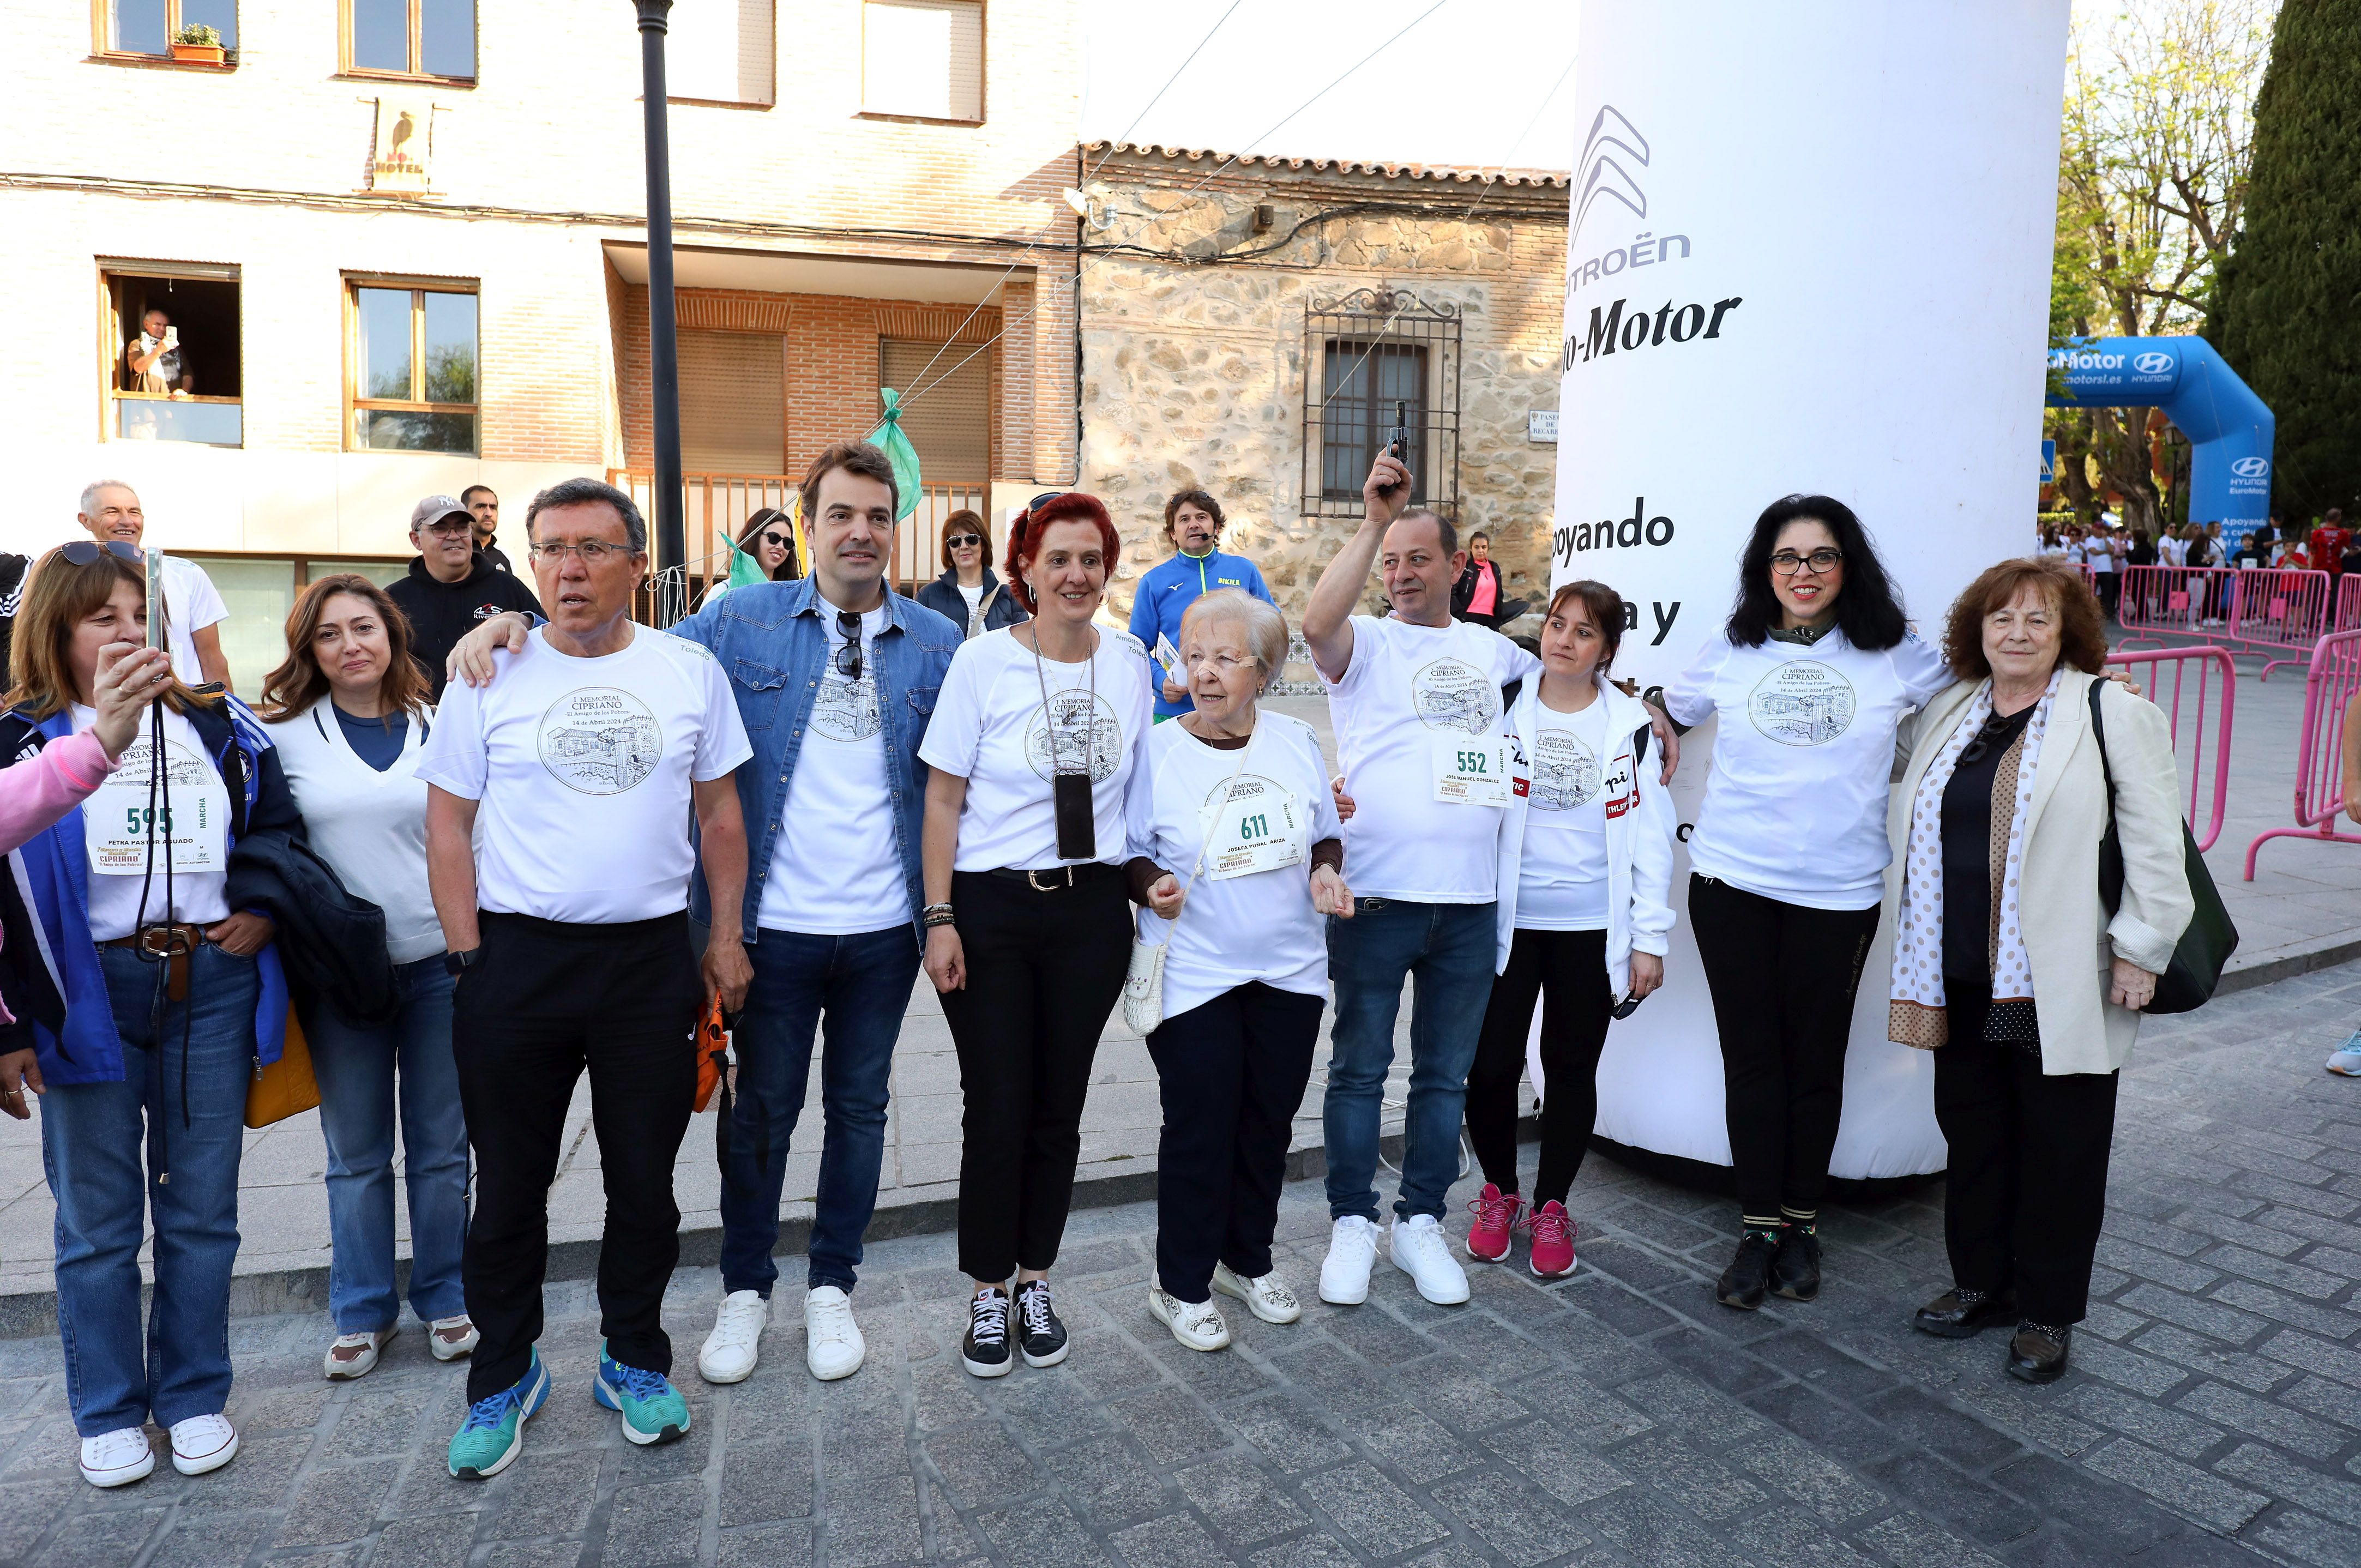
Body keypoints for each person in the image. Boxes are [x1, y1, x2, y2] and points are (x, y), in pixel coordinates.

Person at [446, 444, 964, 1389]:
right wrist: (511, 621)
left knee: (861, 1108)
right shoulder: (738, 619)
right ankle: (746, 1286)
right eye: (841, 514)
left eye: (879, 516)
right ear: (808, 524)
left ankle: (832, 1283)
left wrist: (941, 913)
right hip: (771, 925)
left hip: (885, 927)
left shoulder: (937, 641)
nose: (860, 532)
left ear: (898, 528)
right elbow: (610, 637)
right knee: (760, 1110)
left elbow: (955, 786)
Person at [419, 478, 752, 1479]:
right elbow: (446, 821)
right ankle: (505, 1375)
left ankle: (633, 1357)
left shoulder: (688, 670)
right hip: (516, 963)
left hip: (649, 961)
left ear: (635, 568)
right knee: (510, 1188)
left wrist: (724, 937)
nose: (572, 566)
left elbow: (723, 819)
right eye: (552, 547)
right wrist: (468, 950)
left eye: (595, 548)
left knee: (644, 1185)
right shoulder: (486, 675)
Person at [0, 541, 293, 1489]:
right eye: (102, 617)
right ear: (55, 629)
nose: (129, 632)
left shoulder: (217, 722)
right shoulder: (22, 737)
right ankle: (109, 1410)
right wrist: (7, 1024)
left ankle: (195, 1395)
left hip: (209, 981)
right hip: (82, 995)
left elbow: (278, 829)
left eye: (140, 614)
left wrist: (258, 905)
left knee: (203, 1208)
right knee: (97, 1219)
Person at [1643, 494, 1950, 1312]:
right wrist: (1648, 719)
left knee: (1814, 1065)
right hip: (1730, 886)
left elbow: (1986, 691)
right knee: (1751, 1061)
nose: (1803, 573)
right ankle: (1755, 1232)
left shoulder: (1894, 654)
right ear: (1763, 570)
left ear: (1848, 565)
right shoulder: (1731, 648)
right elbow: (1661, 710)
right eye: (1786, 558)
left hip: (1840, 896)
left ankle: (1802, 1228)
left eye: (1820, 557)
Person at [1892, 557, 2189, 1382]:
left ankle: (2048, 1311)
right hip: (1955, 969)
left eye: (2036, 621)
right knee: (1976, 1134)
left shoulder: (2108, 711)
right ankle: (1979, 1283)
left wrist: (2140, 948)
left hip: (2059, 973)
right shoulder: (1949, 708)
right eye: (2001, 619)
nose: (2016, 634)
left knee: (2061, 1146)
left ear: (2066, 635)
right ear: (1976, 631)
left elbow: (2155, 844)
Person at [1300, 451, 1549, 1310]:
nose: (1402, 574)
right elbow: (1313, 624)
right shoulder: (1365, 642)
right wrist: (1372, 521)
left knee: (1445, 1077)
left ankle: (1417, 1223)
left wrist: (1651, 715)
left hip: (1469, 903)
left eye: (1417, 558)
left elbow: (1573, 689)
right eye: (1392, 561)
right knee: (1359, 1068)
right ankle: (1351, 1223)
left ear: (1456, 568)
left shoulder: (1492, 653)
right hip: (1374, 894)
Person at [919, 492, 1152, 1377]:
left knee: (1061, 1108)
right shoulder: (982, 664)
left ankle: (1035, 1278)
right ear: (1024, 569)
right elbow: (942, 797)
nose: (1076, 575)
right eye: (1058, 558)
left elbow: (1148, 787)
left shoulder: (1128, 664)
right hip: (992, 911)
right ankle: (986, 1291)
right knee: (1000, 1105)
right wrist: (939, 917)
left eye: (1091, 559)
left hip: (1092, 913)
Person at [257, 575, 476, 1382]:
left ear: (391, 636)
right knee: (354, 1152)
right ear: (308, 651)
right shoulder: (282, 736)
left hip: (440, 968)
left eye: (364, 628)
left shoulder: (442, 723)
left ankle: (447, 1298)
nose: (350, 645)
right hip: (341, 979)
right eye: (328, 634)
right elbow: (271, 850)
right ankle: (360, 1311)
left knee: (442, 1146)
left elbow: (477, 838)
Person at [1125, 589, 1350, 1350]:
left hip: (1288, 969)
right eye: (1193, 656)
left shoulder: (1292, 741)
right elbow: (1127, 849)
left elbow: (1324, 834)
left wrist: (1326, 874)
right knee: (1201, 1124)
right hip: (1195, 971)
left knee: (1266, 1127)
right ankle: (1179, 1282)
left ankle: (1244, 1259)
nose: (1206, 672)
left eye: (1226, 658)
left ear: (1265, 670)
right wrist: (1147, 886)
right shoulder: (1154, 751)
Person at [1462, 581, 1675, 1280]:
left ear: (1606, 650)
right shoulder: (1503, 703)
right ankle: (1499, 1193)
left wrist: (1651, 937)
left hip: (1590, 926)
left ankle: (1552, 1204)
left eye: (1584, 632)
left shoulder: (1630, 725)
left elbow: (1651, 839)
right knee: (1490, 1065)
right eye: (1557, 624)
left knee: (1569, 1067)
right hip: (1506, 922)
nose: (1564, 639)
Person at [1127, 490, 1276, 722]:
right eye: (1184, 520)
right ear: (1173, 534)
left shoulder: (1244, 571)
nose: (1194, 525)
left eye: (1201, 517)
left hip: (1235, 709)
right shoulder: (1153, 582)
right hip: (1175, 711)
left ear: (1216, 528)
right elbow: (1136, 648)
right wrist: (1161, 681)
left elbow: (1272, 629)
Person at [75, 481, 232, 689]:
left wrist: (228, 716)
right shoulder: (75, 581)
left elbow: (212, 659)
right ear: (86, 520)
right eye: (112, 512)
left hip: (180, 711)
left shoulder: (186, 575)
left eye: (134, 512)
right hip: (104, 711)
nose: (126, 521)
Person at [387, 496, 543, 701]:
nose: (454, 536)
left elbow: (549, 641)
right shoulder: (393, 600)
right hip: (422, 724)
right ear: (416, 540)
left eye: (462, 528)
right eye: (440, 529)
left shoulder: (508, 587)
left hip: (500, 719)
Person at [917, 509, 1028, 638]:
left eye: (971, 539)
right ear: (949, 549)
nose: (963, 546)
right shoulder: (928, 596)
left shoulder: (1010, 597)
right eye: (955, 541)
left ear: (983, 545)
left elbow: (1023, 649)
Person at [1451, 532, 1529, 630]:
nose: (1481, 551)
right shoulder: (1466, 567)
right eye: (1477, 547)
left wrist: (1498, 618)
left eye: (1484, 547)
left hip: (1491, 618)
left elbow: (1499, 595)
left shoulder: (1495, 568)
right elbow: (1452, 590)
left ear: (1488, 548)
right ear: (1471, 548)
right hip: (1468, 617)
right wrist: (1458, 612)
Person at [125, 307, 192, 396]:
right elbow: (138, 368)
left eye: (165, 326)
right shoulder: (137, 344)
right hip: (146, 403)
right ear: (146, 324)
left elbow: (188, 375)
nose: (162, 328)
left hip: (173, 403)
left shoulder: (176, 349)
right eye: (158, 324)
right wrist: (158, 351)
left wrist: (184, 391)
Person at [462, 486, 511, 573]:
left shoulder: (504, 559)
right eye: (481, 507)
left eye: (493, 507)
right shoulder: (455, 555)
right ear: (465, 512)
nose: (489, 513)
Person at [2079, 522, 2119, 618]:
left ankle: (2108, 613)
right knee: (2092, 592)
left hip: (2107, 570)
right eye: (2098, 529)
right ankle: (2089, 612)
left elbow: (2112, 550)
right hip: (2094, 570)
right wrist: (2106, 552)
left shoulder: (2109, 540)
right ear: (2094, 530)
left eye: (2102, 529)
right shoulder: (2090, 540)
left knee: (2108, 593)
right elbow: (2094, 551)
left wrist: (2105, 539)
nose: (2100, 531)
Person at [2312, 508, 2352, 582]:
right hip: (2335, 569)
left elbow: (2312, 550)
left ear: (2326, 518)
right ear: (2339, 518)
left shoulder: (2317, 533)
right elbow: (2348, 547)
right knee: (2336, 593)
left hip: (2319, 570)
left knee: (2319, 593)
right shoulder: (2343, 534)